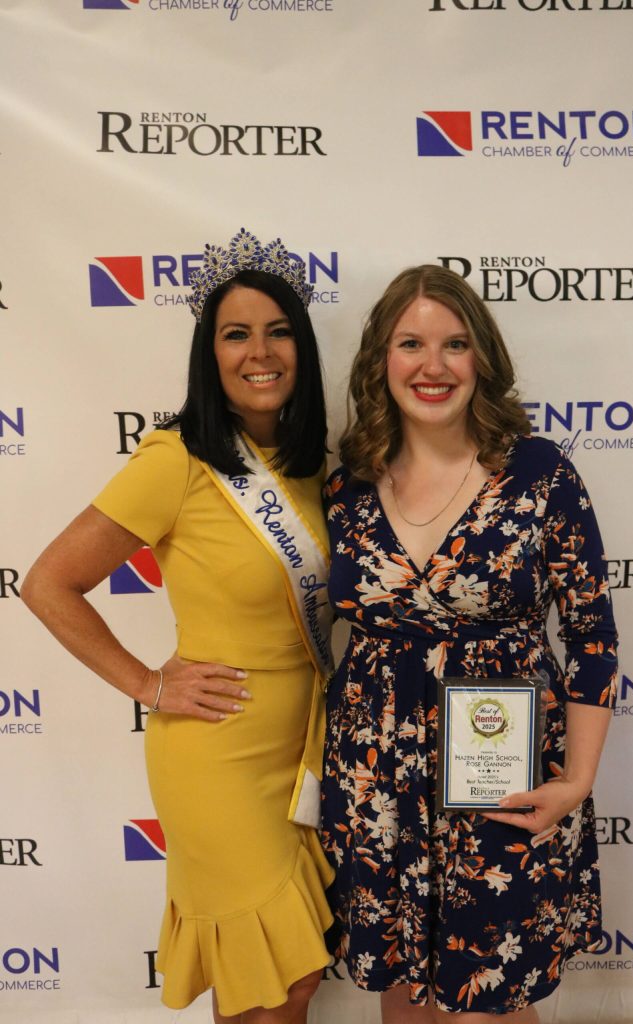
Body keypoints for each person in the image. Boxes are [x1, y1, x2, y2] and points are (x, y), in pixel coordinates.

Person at [21, 228, 335, 1024]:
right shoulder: (176, 458)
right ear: (211, 354)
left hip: (307, 745)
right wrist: (148, 683)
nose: (259, 351)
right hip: (219, 750)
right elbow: (50, 582)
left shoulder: (313, 466)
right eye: (236, 334)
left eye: (278, 330)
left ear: (301, 346)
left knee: (296, 970)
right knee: (266, 977)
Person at [321, 264, 617, 1022]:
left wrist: (576, 779)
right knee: (404, 986)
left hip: (502, 767)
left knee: (493, 991)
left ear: (480, 356)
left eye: (454, 344)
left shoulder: (538, 473)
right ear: (378, 360)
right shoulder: (348, 484)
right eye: (410, 343)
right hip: (378, 774)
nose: (432, 365)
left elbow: (589, 635)